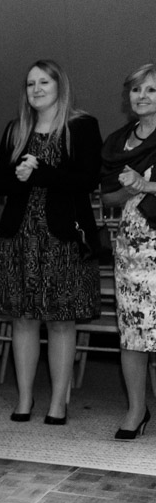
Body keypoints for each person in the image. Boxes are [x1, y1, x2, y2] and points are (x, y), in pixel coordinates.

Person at [0, 60, 102, 425]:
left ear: (59, 86)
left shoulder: (81, 126)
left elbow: (86, 180)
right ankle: (23, 400)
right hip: (20, 237)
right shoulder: (16, 128)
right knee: (22, 320)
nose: (36, 89)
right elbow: (0, 186)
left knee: (61, 322)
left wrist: (40, 170)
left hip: (63, 237)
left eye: (44, 82)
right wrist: (21, 174)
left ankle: (58, 403)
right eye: (30, 83)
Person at [99, 63, 156, 440]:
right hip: (132, 246)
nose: (142, 97)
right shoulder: (117, 141)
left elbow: (140, 187)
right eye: (136, 90)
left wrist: (146, 186)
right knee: (133, 333)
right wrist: (133, 187)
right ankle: (136, 410)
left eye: (151, 90)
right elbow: (108, 195)